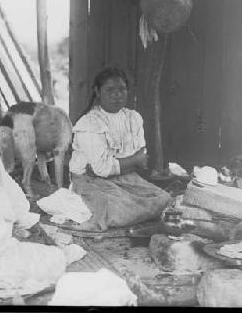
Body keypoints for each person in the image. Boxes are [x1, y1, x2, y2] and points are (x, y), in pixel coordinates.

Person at [0, 77, 67, 303]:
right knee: (54, 260)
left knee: (57, 251)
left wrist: (29, 221)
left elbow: (7, 186)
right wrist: (22, 240)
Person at [69, 67, 172, 231]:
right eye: (110, 90)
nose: (117, 95)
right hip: (90, 181)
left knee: (164, 199)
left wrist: (126, 163)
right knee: (115, 209)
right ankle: (122, 212)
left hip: (126, 177)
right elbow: (102, 170)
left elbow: (142, 157)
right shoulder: (90, 124)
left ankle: (131, 210)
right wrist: (133, 161)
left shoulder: (133, 118)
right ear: (97, 91)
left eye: (122, 89)